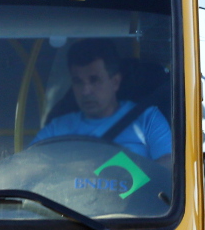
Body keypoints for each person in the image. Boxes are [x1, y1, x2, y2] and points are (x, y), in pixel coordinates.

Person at [32, 39, 171, 163]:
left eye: (95, 80)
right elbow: (24, 169)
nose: (86, 91)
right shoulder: (57, 129)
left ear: (115, 82)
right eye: (78, 81)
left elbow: (169, 175)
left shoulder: (147, 119)